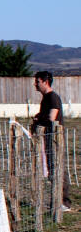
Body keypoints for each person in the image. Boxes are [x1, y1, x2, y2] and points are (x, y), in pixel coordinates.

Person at [31, 71, 71, 212]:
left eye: (37, 81)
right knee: (52, 169)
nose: (35, 84)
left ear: (45, 82)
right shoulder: (46, 98)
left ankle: (64, 202)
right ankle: (57, 200)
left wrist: (39, 121)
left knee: (58, 168)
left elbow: (51, 118)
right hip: (48, 138)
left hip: (54, 139)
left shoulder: (52, 98)